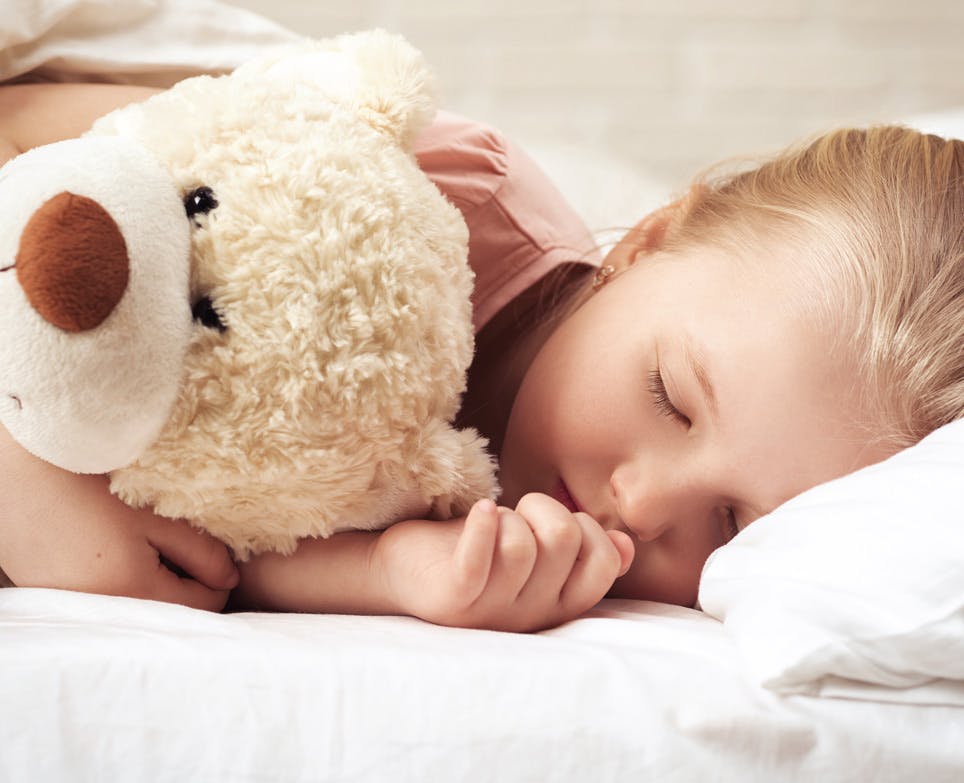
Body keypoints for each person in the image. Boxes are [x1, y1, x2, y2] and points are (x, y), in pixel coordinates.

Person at [1, 83, 961, 631]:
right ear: (650, 244)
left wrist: (395, 576)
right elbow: (35, 161)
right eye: (669, 398)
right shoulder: (415, 195)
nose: (643, 501)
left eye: (732, 525)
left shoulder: (537, 567)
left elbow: (255, 541)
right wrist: (28, 481)